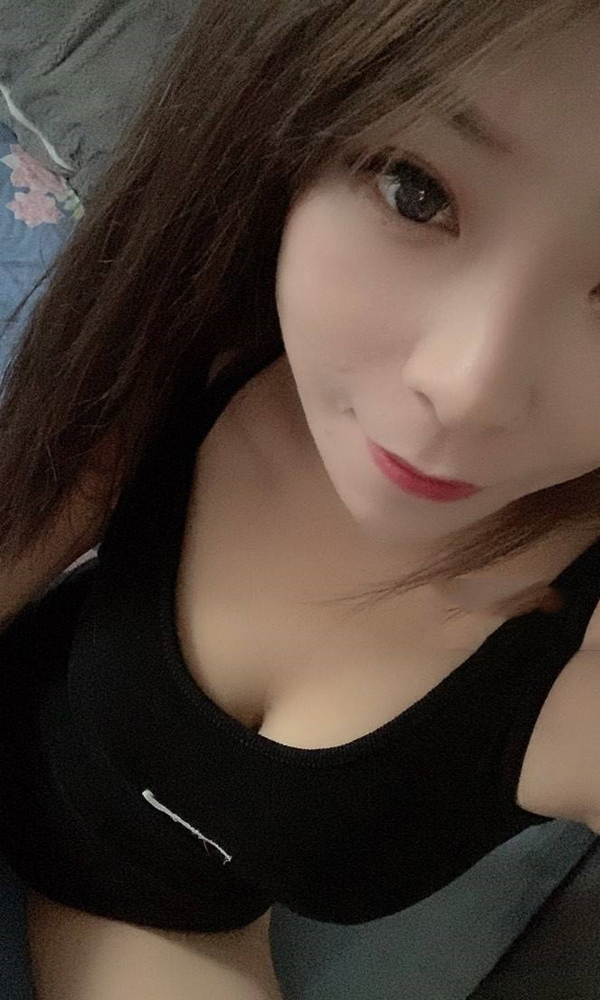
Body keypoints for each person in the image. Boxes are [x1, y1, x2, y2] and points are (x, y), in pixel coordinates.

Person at [1, 0, 600, 996]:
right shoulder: (203, 344)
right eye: (415, 191)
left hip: (152, 925)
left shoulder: (578, 672)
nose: (468, 386)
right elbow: (38, 512)